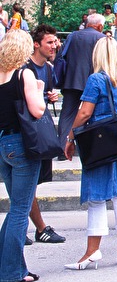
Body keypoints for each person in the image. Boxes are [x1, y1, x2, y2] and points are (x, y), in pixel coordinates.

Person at [63, 36, 117, 269]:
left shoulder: (95, 80)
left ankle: (92, 252)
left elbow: (85, 113)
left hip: (99, 143)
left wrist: (70, 137)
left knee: (96, 196)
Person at [0, 30, 45, 282]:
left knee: (16, 206)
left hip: (2, 143)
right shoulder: (23, 73)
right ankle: (10, 272)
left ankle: (9, 266)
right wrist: (39, 89)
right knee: (20, 208)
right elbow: (37, 111)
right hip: (21, 143)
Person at [23, 25, 66, 245]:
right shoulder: (23, 68)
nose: (55, 45)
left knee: (31, 184)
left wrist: (49, 96)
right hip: (25, 133)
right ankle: (38, 228)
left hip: (40, 131)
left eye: (56, 41)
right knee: (27, 183)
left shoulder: (48, 69)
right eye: (50, 42)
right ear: (36, 44)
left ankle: (21, 228)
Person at [56, 13, 106, 144]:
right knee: (93, 114)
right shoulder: (102, 38)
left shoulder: (72, 36)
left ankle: (62, 146)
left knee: (67, 114)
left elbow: (61, 56)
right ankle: (92, 147)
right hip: (94, 83)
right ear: (100, 26)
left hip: (71, 81)